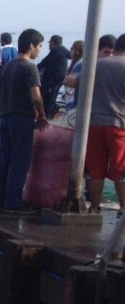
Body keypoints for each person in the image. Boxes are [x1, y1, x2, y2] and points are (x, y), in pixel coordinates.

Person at [0, 29, 47, 216]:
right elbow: (36, 95)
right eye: (39, 46)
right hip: (22, 117)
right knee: (20, 161)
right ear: (31, 46)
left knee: (4, 160)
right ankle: (13, 203)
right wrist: (42, 115)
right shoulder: (30, 68)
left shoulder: (7, 66)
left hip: (5, 116)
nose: (39, 51)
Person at [80, 35, 125, 213]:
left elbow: (75, 83)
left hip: (93, 123)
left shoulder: (96, 65)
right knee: (121, 169)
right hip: (119, 124)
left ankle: (95, 207)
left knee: (95, 168)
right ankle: (123, 209)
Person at [64, 34, 116, 115]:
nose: (110, 56)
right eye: (107, 52)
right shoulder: (85, 64)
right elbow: (68, 81)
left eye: (113, 53)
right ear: (97, 50)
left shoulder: (116, 68)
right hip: (84, 112)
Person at [38, 34, 70, 118]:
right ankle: (52, 109)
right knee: (50, 97)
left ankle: (47, 116)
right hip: (58, 79)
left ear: (53, 43)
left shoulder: (56, 51)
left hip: (52, 80)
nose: (49, 45)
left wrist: (34, 69)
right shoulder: (63, 51)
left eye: (49, 43)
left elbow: (44, 62)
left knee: (48, 99)